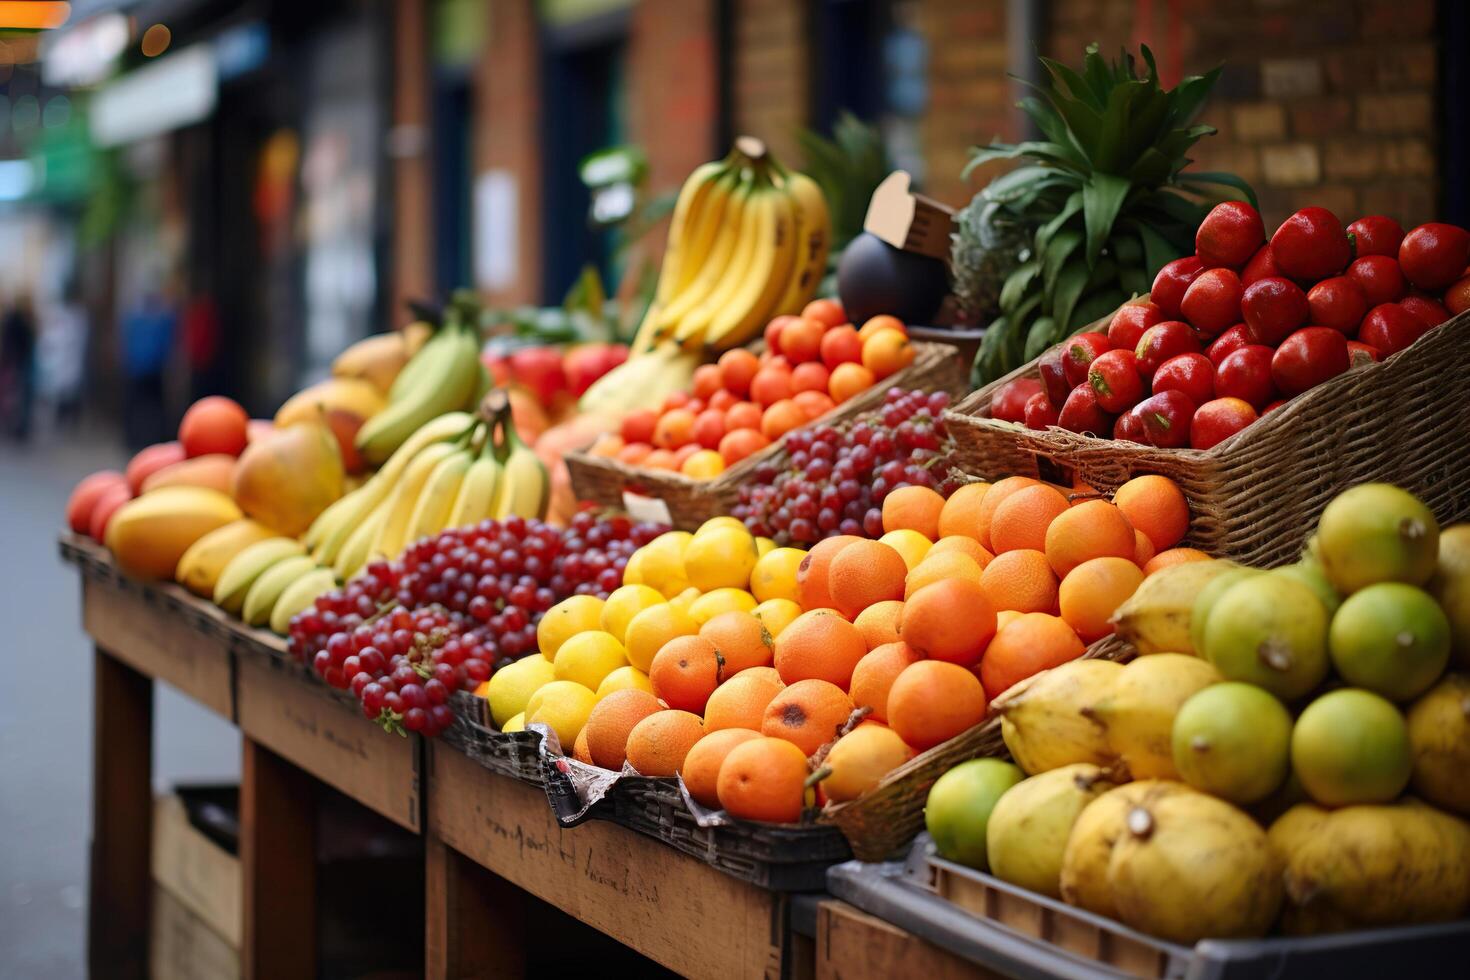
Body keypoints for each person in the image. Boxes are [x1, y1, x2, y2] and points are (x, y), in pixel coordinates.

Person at [121, 291, 177, 450]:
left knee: (136, 407)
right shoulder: (160, 321)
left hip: (137, 370)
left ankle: (135, 440)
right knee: (153, 408)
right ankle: (154, 440)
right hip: (151, 371)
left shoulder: (135, 320)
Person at [1, 292, 38, 441]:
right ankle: (18, 426)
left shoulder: (17, 318)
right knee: (18, 395)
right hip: (19, 362)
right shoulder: (17, 319)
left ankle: (19, 425)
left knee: (19, 395)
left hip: (20, 361)